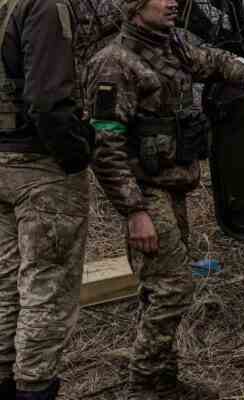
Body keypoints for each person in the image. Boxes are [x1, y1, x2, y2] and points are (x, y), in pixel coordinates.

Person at [84, 0, 244, 398]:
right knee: (174, 289)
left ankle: (164, 383)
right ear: (136, 6)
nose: (173, 2)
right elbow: (105, 149)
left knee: (158, 289)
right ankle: (142, 387)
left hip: (173, 186)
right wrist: (135, 212)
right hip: (145, 192)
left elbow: (217, 60)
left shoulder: (173, 45)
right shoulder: (113, 63)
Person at [0, 0, 93, 398]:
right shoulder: (47, 5)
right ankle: (34, 388)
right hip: (40, 166)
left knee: (5, 285)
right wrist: (76, 154)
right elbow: (47, 101)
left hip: (2, 161)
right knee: (47, 291)